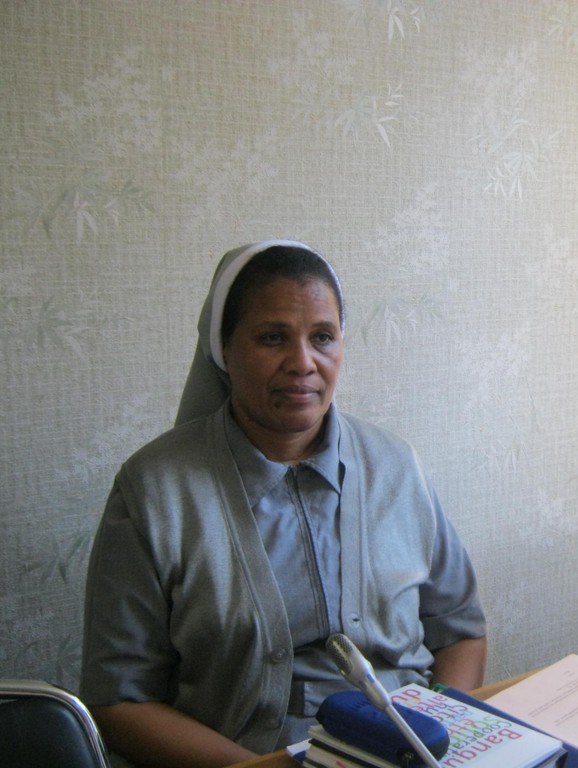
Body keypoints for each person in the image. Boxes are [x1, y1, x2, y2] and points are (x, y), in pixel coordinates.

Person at [80, 240, 487, 767]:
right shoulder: (155, 492)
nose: (303, 363)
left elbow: (460, 630)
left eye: (323, 337)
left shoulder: (397, 466)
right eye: (273, 337)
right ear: (224, 351)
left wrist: (442, 734)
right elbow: (119, 700)